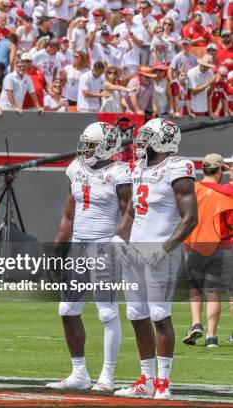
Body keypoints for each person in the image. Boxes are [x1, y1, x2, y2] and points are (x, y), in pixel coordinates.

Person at [113, 118, 197, 400]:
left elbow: (190, 218)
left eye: (148, 137)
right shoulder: (140, 168)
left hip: (161, 252)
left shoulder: (178, 167)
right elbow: (131, 213)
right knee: (136, 315)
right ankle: (146, 379)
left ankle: (163, 382)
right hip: (135, 251)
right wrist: (119, 237)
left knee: (160, 315)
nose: (141, 142)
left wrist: (164, 248)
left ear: (163, 140)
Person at [47, 122, 130, 392]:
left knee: (106, 313)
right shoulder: (74, 168)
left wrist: (120, 243)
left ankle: (107, 376)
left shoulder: (120, 172)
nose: (86, 150)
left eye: (91, 145)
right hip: (78, 246)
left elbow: (130, 214)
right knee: (67, 310)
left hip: (104, 245)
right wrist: (58, 247)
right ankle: (79, 373)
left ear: (108, 146)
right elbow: (69, 213)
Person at [182, 154, 233, 348]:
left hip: (194, 244)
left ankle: (196, 322)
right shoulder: (224, 193)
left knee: (194, 288)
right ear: (220, 170)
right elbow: (230, 223)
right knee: (213, 292)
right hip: (219, 246)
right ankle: (211, 336)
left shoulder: (191, 190)